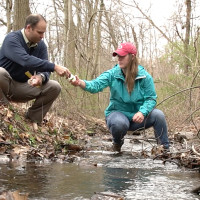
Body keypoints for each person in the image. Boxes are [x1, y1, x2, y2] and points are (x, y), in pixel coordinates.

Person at [70, 42, 170, 152]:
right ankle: (117, 143)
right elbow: (95, 85)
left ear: (132, 57)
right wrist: (80, 83)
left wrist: (142, 112)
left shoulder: (145, 77)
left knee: (158, 115)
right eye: (118, 56)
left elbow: (151, 98)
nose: (119, 59)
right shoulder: (112, 74)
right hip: (118, 114)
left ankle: (164, 149)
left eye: (122, 56)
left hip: (139, 117)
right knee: (119, 124)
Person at [0, 14, 71, 130]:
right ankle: (6, 109)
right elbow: (25, 60)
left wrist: (41, 77)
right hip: (5, 84)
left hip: (23, 87)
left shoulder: (41, 46)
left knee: (55, 86)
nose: (42, 36)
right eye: (39, 32)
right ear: (29, 28)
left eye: (43, 33)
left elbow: (45, 70)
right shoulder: (12, 39)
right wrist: (54, 66)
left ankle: (32, 119)